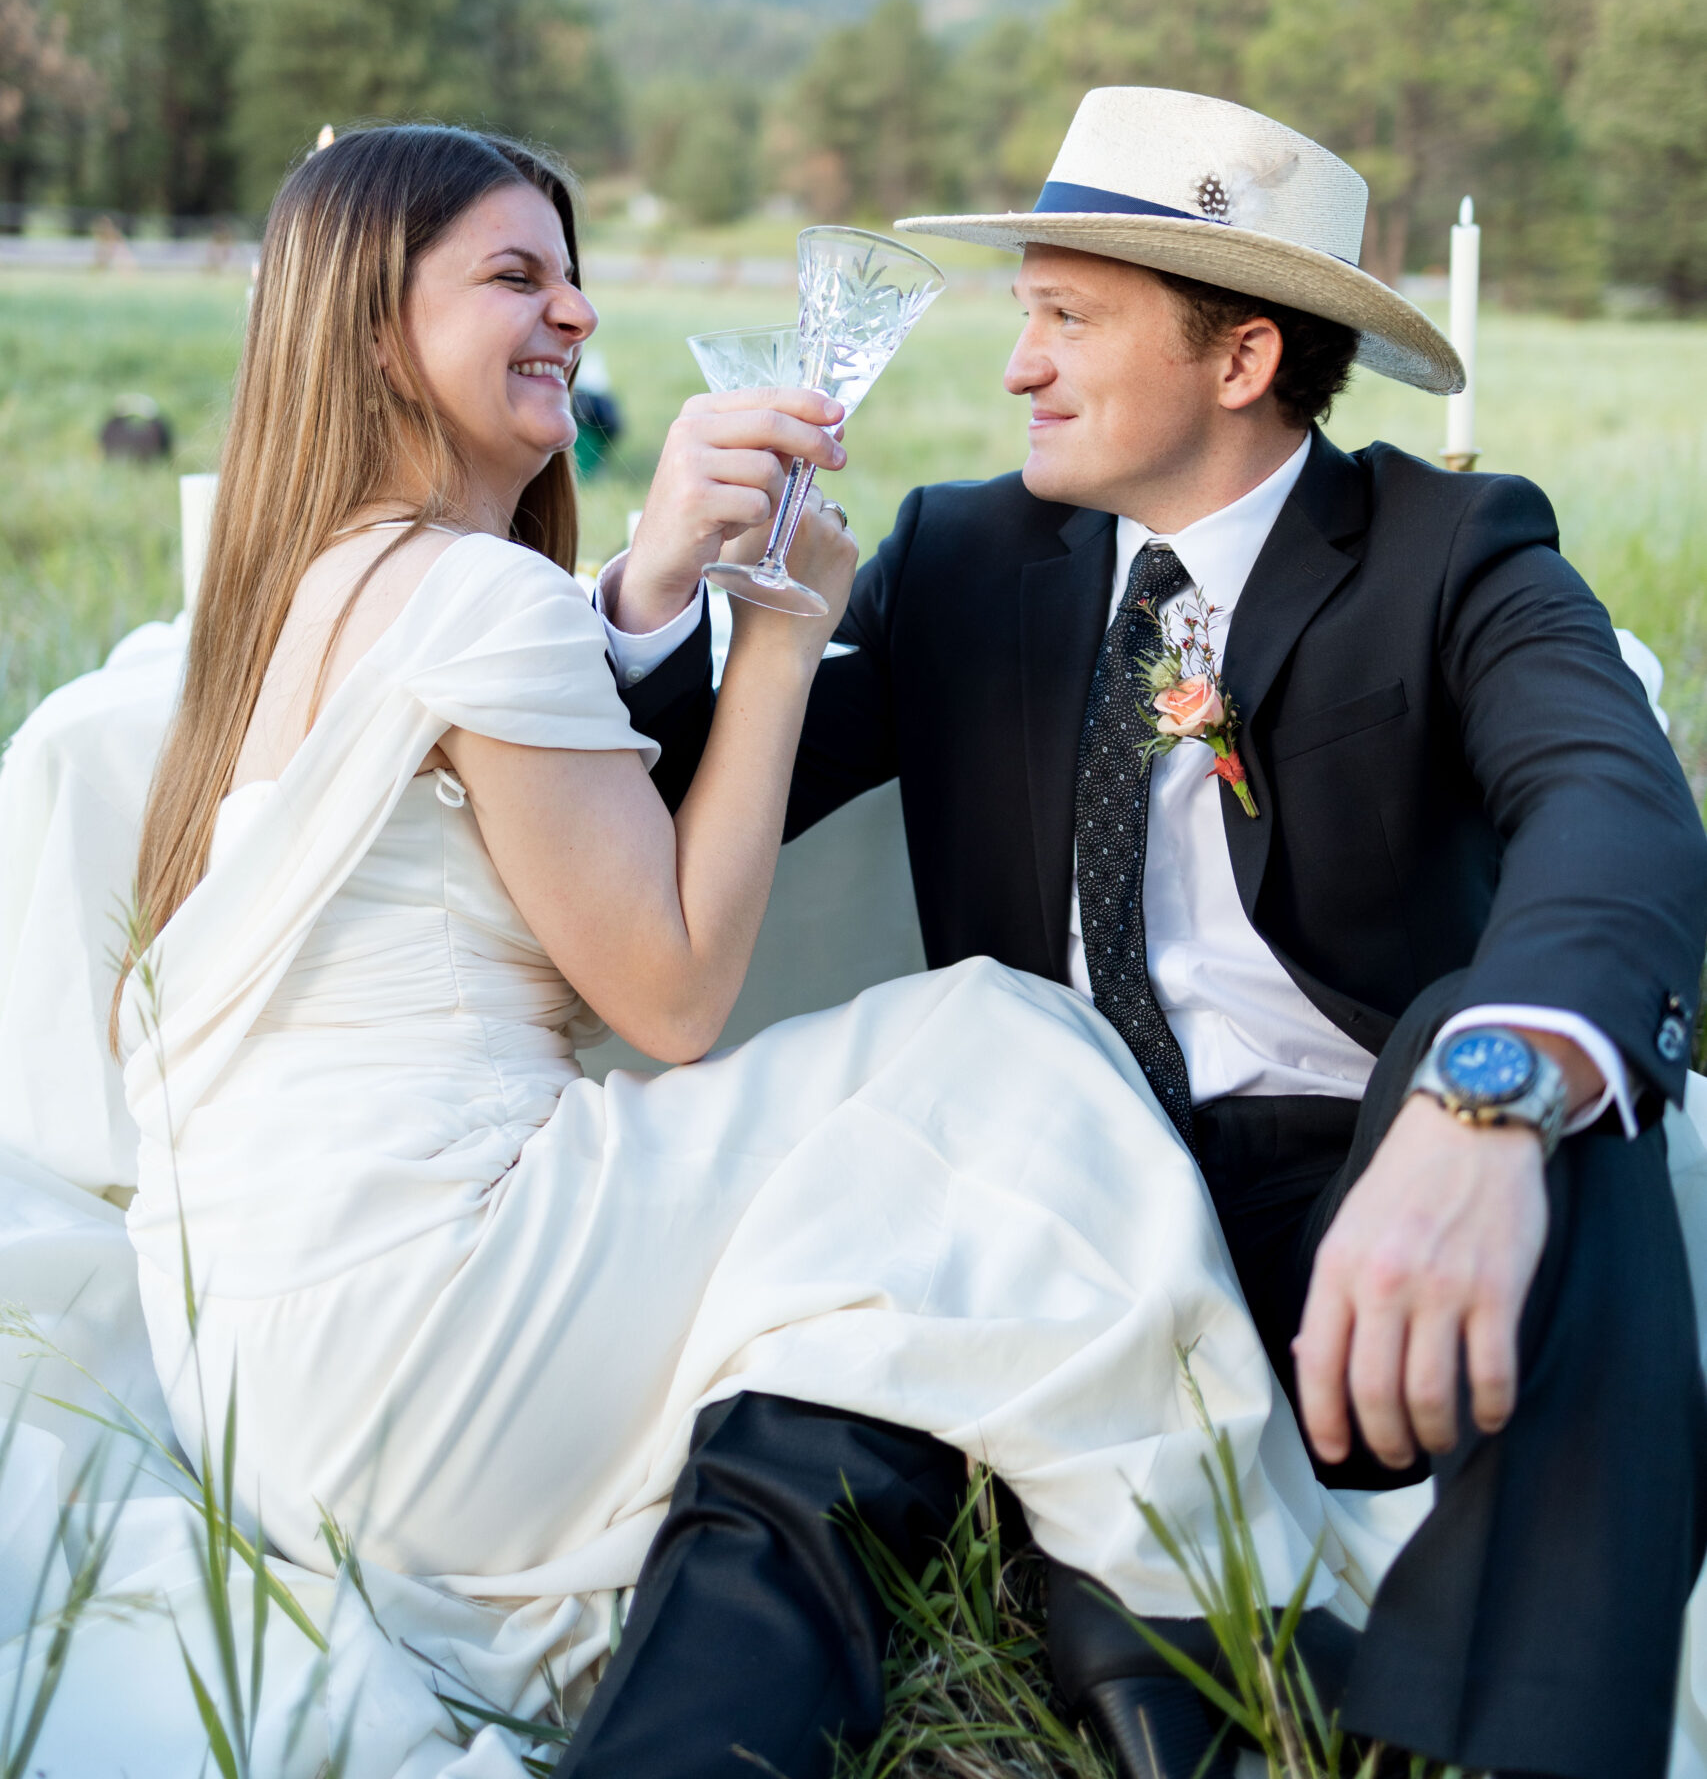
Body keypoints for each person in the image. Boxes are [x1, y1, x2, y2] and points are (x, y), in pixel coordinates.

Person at [117, 122, 1343, 1779]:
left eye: (573, 274)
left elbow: (542, 758)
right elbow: (677, 996)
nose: (574, 314)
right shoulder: (475, 598)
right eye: (513, 277)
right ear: (368, 326)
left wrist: (652, 581)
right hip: (427, 1324)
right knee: (999, 1052)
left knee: (846, 1239)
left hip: (260, 1366)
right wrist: (777, 623)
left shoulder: (309, 586)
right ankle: (1200, 1670)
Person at [591, 86, 1707, 1779]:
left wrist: (1479, 1106)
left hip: (1351, 1206)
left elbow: (1614, 811)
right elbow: (698, 797)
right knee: (793, 1418)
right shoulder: (962, 553)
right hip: (1043, 1181)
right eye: (1023, 310)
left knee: (1518, 1060)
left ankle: (1497, 1740)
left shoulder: (1454, 552)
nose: (1016, 364)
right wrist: (667, 587)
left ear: (1243, 360)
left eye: (1066, 318)